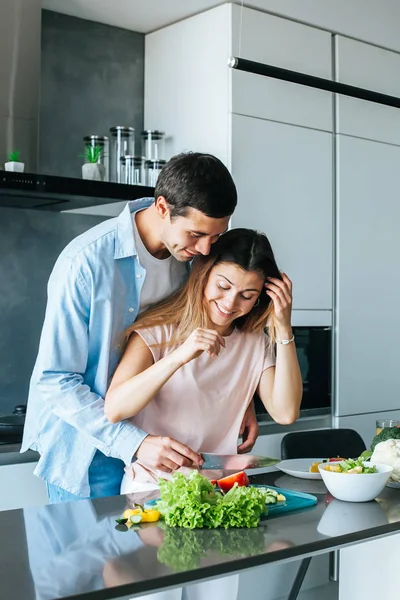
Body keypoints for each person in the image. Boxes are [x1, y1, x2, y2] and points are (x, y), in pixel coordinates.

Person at [21, 152, 259, 502]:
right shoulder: (85, 263)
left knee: (152, 557)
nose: (206, 248)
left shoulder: (190, 262)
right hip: (89, 451)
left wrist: (244, 399)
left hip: (163, 450)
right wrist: (134, 443)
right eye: (196, 234)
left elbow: (204, 336)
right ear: (163, 207)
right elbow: (56, 380)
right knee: (88, 557)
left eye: (215, 236)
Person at [104, 228, 303, 494]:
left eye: (247, 295)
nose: (230, 303)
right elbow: (115, 408)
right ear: (203, 274)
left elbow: (286, 412)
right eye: (223, 286)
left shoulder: (254, 343)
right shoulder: (157, 330)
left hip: (220, 489)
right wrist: (180, 356)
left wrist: (284, 328)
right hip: (151, 489)